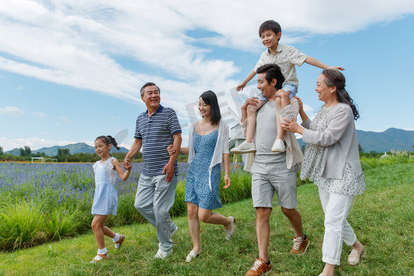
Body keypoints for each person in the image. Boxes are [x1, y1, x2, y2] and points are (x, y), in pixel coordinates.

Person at [282, 69, 365, 276]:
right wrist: (301, 113)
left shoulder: (343, 110)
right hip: (326, 171)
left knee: (332, 221)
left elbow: (328, 137)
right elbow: (315, 128)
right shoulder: (324, 109)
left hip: (343, 172)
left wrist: (298, 130)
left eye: (319, 84)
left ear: (332, 88)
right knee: (332, 217)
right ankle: (357, 246)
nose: (315, 88)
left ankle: (328, 269)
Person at [232, 20, 344, 154]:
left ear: (278, 35)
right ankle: (249, 142)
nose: (265, 39)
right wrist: (244, 82)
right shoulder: (264, 55)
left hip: (287, 85)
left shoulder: (288, 51)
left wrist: (327, 67)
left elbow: (306, 59)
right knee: (251, 106)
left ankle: (279, 139)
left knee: (281, 96)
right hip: (269, 88)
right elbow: (255, 70)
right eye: (262, 36)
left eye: (268, 35)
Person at [244, 64, 309, 276]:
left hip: (282, 163)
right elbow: (246, 129)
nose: (258, 86)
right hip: (260, 165)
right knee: (261, 211)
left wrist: (287, 99)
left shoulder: (284, 100)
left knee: (287, 209)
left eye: (261, 82)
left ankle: (301, 237)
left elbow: (291, 120)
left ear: (273, 82)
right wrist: (246, 109)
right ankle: (263, 261)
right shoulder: (258, 104)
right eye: (257, 82)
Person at [167, 90, 235, 263]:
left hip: (211, 171)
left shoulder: (222, 126)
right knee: (191, 211)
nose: (201, 107)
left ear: (213, 105)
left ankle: (227, 222)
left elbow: (225, 151)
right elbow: (192, 150)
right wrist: (176, 150)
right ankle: (196, 247)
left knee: (204, 215)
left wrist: (227, 173)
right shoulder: (194, 126)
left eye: (205, 104)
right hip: (194, 171)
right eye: (199, 104)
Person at [122, 82, 182, 259]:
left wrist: (172, 162)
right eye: (150, 93)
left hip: (165, 169)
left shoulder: (169, 113)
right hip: (147, 171)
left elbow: (177, 137)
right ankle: (168, 227)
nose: (154, 95)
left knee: (161, 211)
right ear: (143, 98)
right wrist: (128, 157)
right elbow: (137, 142)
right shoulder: (140, 118)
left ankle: (166, 246)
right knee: (140, 205)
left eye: (157, 92)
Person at [90, 135, 131, 263]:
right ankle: (118, 238)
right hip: (99, 195)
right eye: (96, 147)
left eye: (100, 146)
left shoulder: (112, 161)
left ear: (109, 146)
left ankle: (102, 253)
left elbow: (123, 177)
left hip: (107, 195)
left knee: (95, 224)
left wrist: (128, 170)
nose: (98, 149)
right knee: (100, 225)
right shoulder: (96, 165)